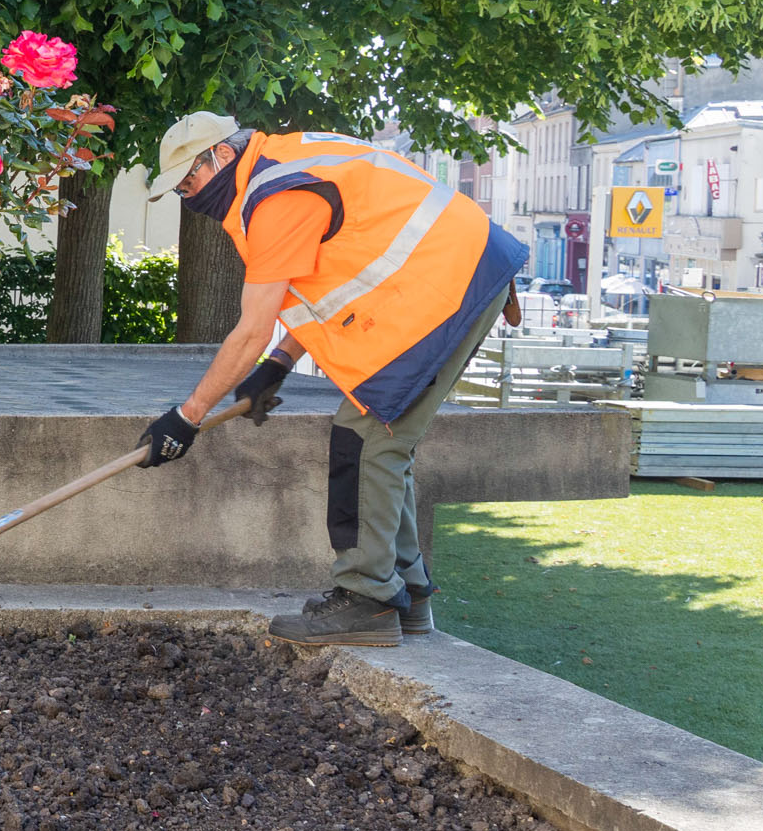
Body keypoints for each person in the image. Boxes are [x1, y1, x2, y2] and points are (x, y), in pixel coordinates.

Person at [135, 112, 525, 648]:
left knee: (363, 440)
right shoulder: (280, 167)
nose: (188, 196)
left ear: (221, 156)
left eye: (188, 182)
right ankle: (405, 595)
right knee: (384, 442)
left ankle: (367, 601)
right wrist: (277, 366)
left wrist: (186, 418)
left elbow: (251, 330)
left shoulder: (275, 198)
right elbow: (325, 284)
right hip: (457, 275)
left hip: (448, 286)